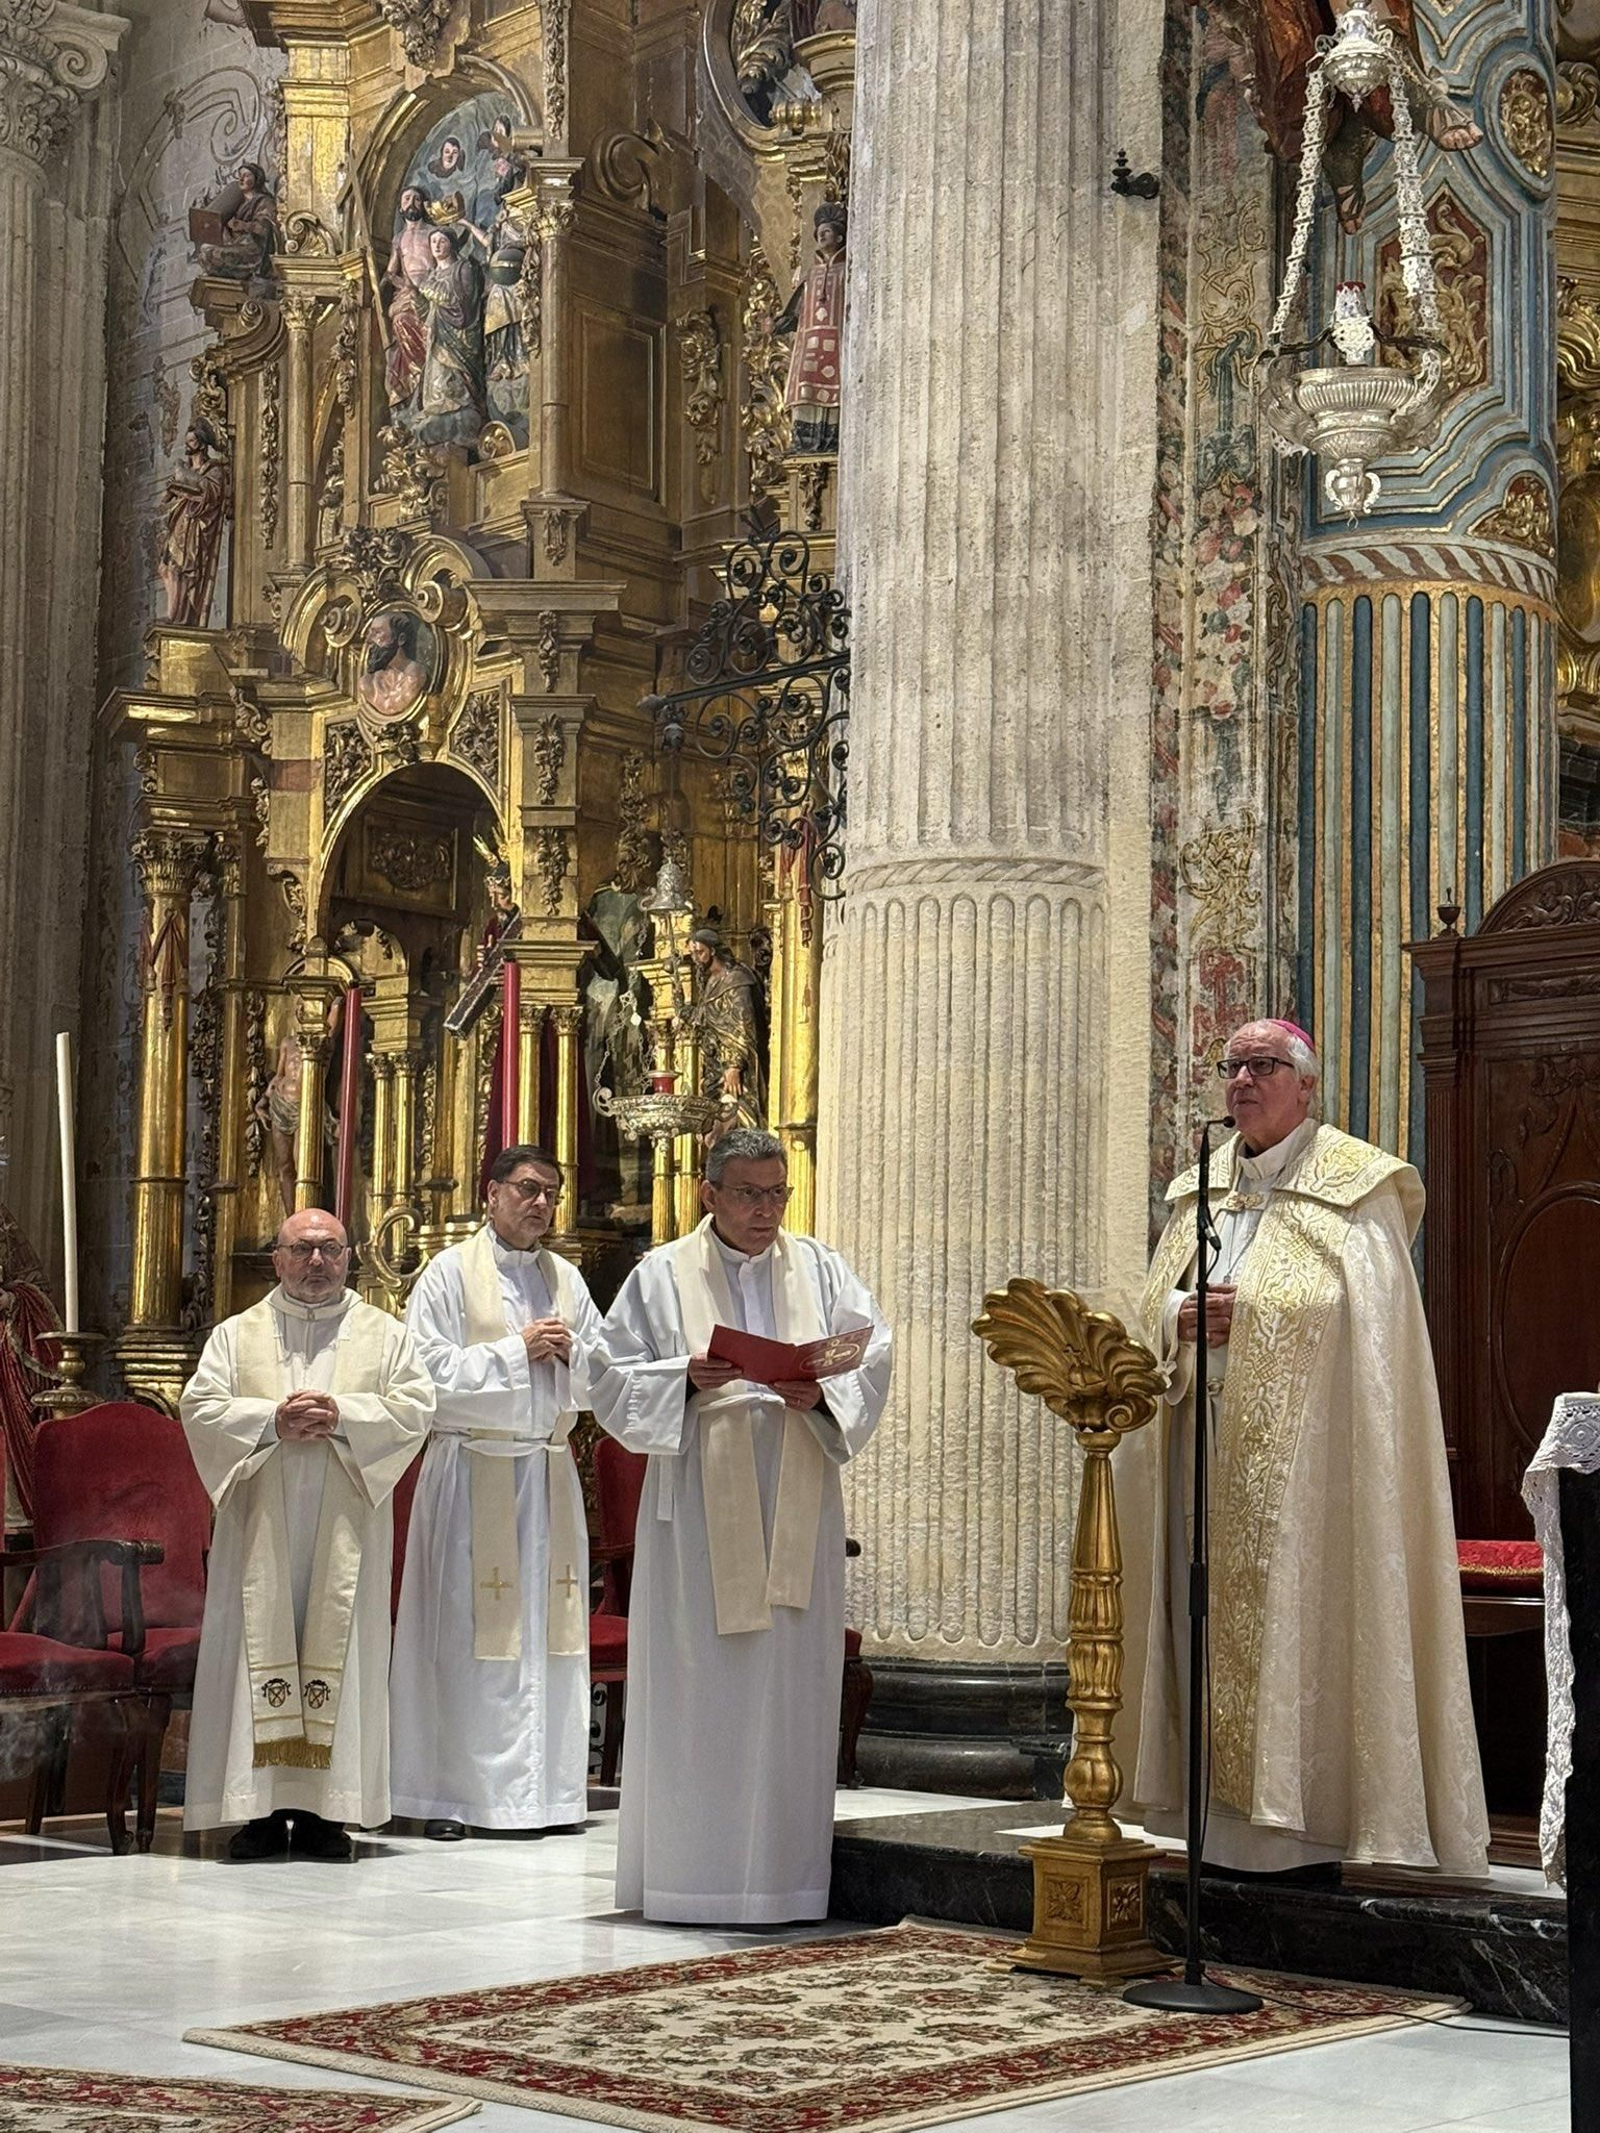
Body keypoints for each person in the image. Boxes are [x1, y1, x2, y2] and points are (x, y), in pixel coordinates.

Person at [1132, 1018, 1489, 1877]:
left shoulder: (1358, 1190)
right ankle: (1210, 1819)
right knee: (1197, 1615)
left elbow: (1366, 1337)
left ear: (1307, 1086)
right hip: (1201, 1449)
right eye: (1233, 1066)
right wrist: (1177, 1319)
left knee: (1300, 1620)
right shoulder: (1198, 1195)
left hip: (1310, 1473)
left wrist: (1251, 1320)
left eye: (1264, 1065)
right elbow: (1149, 1306)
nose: (1243, 1080)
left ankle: (1304, 1823)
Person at [590, 1126, 891, 1923]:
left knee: (788, 1686)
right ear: (709, 1194)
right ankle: (692, 1878)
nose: (767, 1210)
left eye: (778, 1191)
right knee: (701, 1683)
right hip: (695, 1506)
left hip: (797, 1486)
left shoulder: (820, 1266)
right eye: (751, 1193)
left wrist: (822, 1393)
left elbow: (873, 1352)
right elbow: (608, 1376)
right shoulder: (660, 1275)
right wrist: (682, 1379)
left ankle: (786, 1880)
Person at [180, 1210, 434, 1859]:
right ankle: (258, 1809)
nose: (317, 1261)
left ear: (349, 1256)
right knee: (258, 1650)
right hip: (260, 1527)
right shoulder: (236, 1336)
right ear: (278, 1258)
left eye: (329, 1249)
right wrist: (271, 1419)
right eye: (303, 1249)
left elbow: (415, 1407)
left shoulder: (385, 1334)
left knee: (340, 1652)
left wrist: (343, 1413)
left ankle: (328, 1811)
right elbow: (201, 1407)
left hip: (347, 1524)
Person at [389, 1145, 605, 1839]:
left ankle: (548, 1796)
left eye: (552, 1191)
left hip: (545, 1471)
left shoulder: (567, 1279)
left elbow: (608, 1370)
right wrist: (518, 1351)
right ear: (491, 1193)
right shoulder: (448, 1274)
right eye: (527, 1188)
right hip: (471, 1470)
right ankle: (456, 1796)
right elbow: (422, 1374)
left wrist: (578, 1355)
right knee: (468, 1635)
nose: (540, 1202)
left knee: (549, 1638)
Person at [774, 202, 846, 454]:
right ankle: (804, 439)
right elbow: (795, 309)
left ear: (839, 236)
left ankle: (830, 438)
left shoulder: (846, 270)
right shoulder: (811, 274)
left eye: (827, 231)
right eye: (819, 232)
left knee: (834, 386)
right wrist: (780, 323)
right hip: (809, 340)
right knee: (806, 385)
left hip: (836, 339)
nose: (822, 235)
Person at [413, 226, 487, 447]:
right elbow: (426, 313)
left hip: (459, 335)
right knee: (436, 372)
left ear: (452, 244)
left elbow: (460, 302)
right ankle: (438, 406)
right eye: (433, 241)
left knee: (454, 375)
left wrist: (427, 287)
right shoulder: (432, 275)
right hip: (437, 335)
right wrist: (417, 300)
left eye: (441, 241)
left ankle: (460, 406)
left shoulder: (463, 268)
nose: (436, 245)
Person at [685, 927, 766, 1127]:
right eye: (693, 953)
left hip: (737, 1066)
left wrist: (734, 1066)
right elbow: (706, 1018)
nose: (696, 958)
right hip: (714, 1062)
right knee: (714, 1120)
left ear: (712, 950)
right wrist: (684, 1011)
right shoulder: (711, 981)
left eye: (700, 952)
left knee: (737, 1115)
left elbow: (743, 1024)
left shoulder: (736, 978)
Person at [158, 420, 231, 628]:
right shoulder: (185, 469)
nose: (187, 445)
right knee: (164, 568)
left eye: (191, 441)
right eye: (187, 441)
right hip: (180, 523)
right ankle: (174, 614)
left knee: (179, 570)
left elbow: (213, 493)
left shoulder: (213, 469)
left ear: (201, 443)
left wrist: (189, 481)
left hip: (195, 526)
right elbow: (165, 499)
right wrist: (173, 486)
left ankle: (177, 617)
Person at [383, 185, 436, 409]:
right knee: (400, 320)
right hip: (406, 293)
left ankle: (430, 381)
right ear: (400, 206)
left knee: (432, 331)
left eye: (416, 199)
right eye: (407, 199)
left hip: (430, 289)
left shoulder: (432, 233)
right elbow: (391, 270)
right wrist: (383, 284)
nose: (411, 203)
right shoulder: (398, 238)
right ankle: (412, 384)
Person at [196, 161, 278, 282]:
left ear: (257, 179)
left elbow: (267, 228)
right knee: (205, 251)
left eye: (246, 175)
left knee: (209, 254)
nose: (241, 179)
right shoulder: (238, 205)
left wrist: (245, 226)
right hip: (238, 244)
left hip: (254, 249)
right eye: (240, 175)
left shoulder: (264, 201)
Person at [357, 610, 429, 721]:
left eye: (378, 633)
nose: (369, 640)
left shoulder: (415, 675)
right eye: (370, 633)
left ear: (401, 639)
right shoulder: (367, 683)